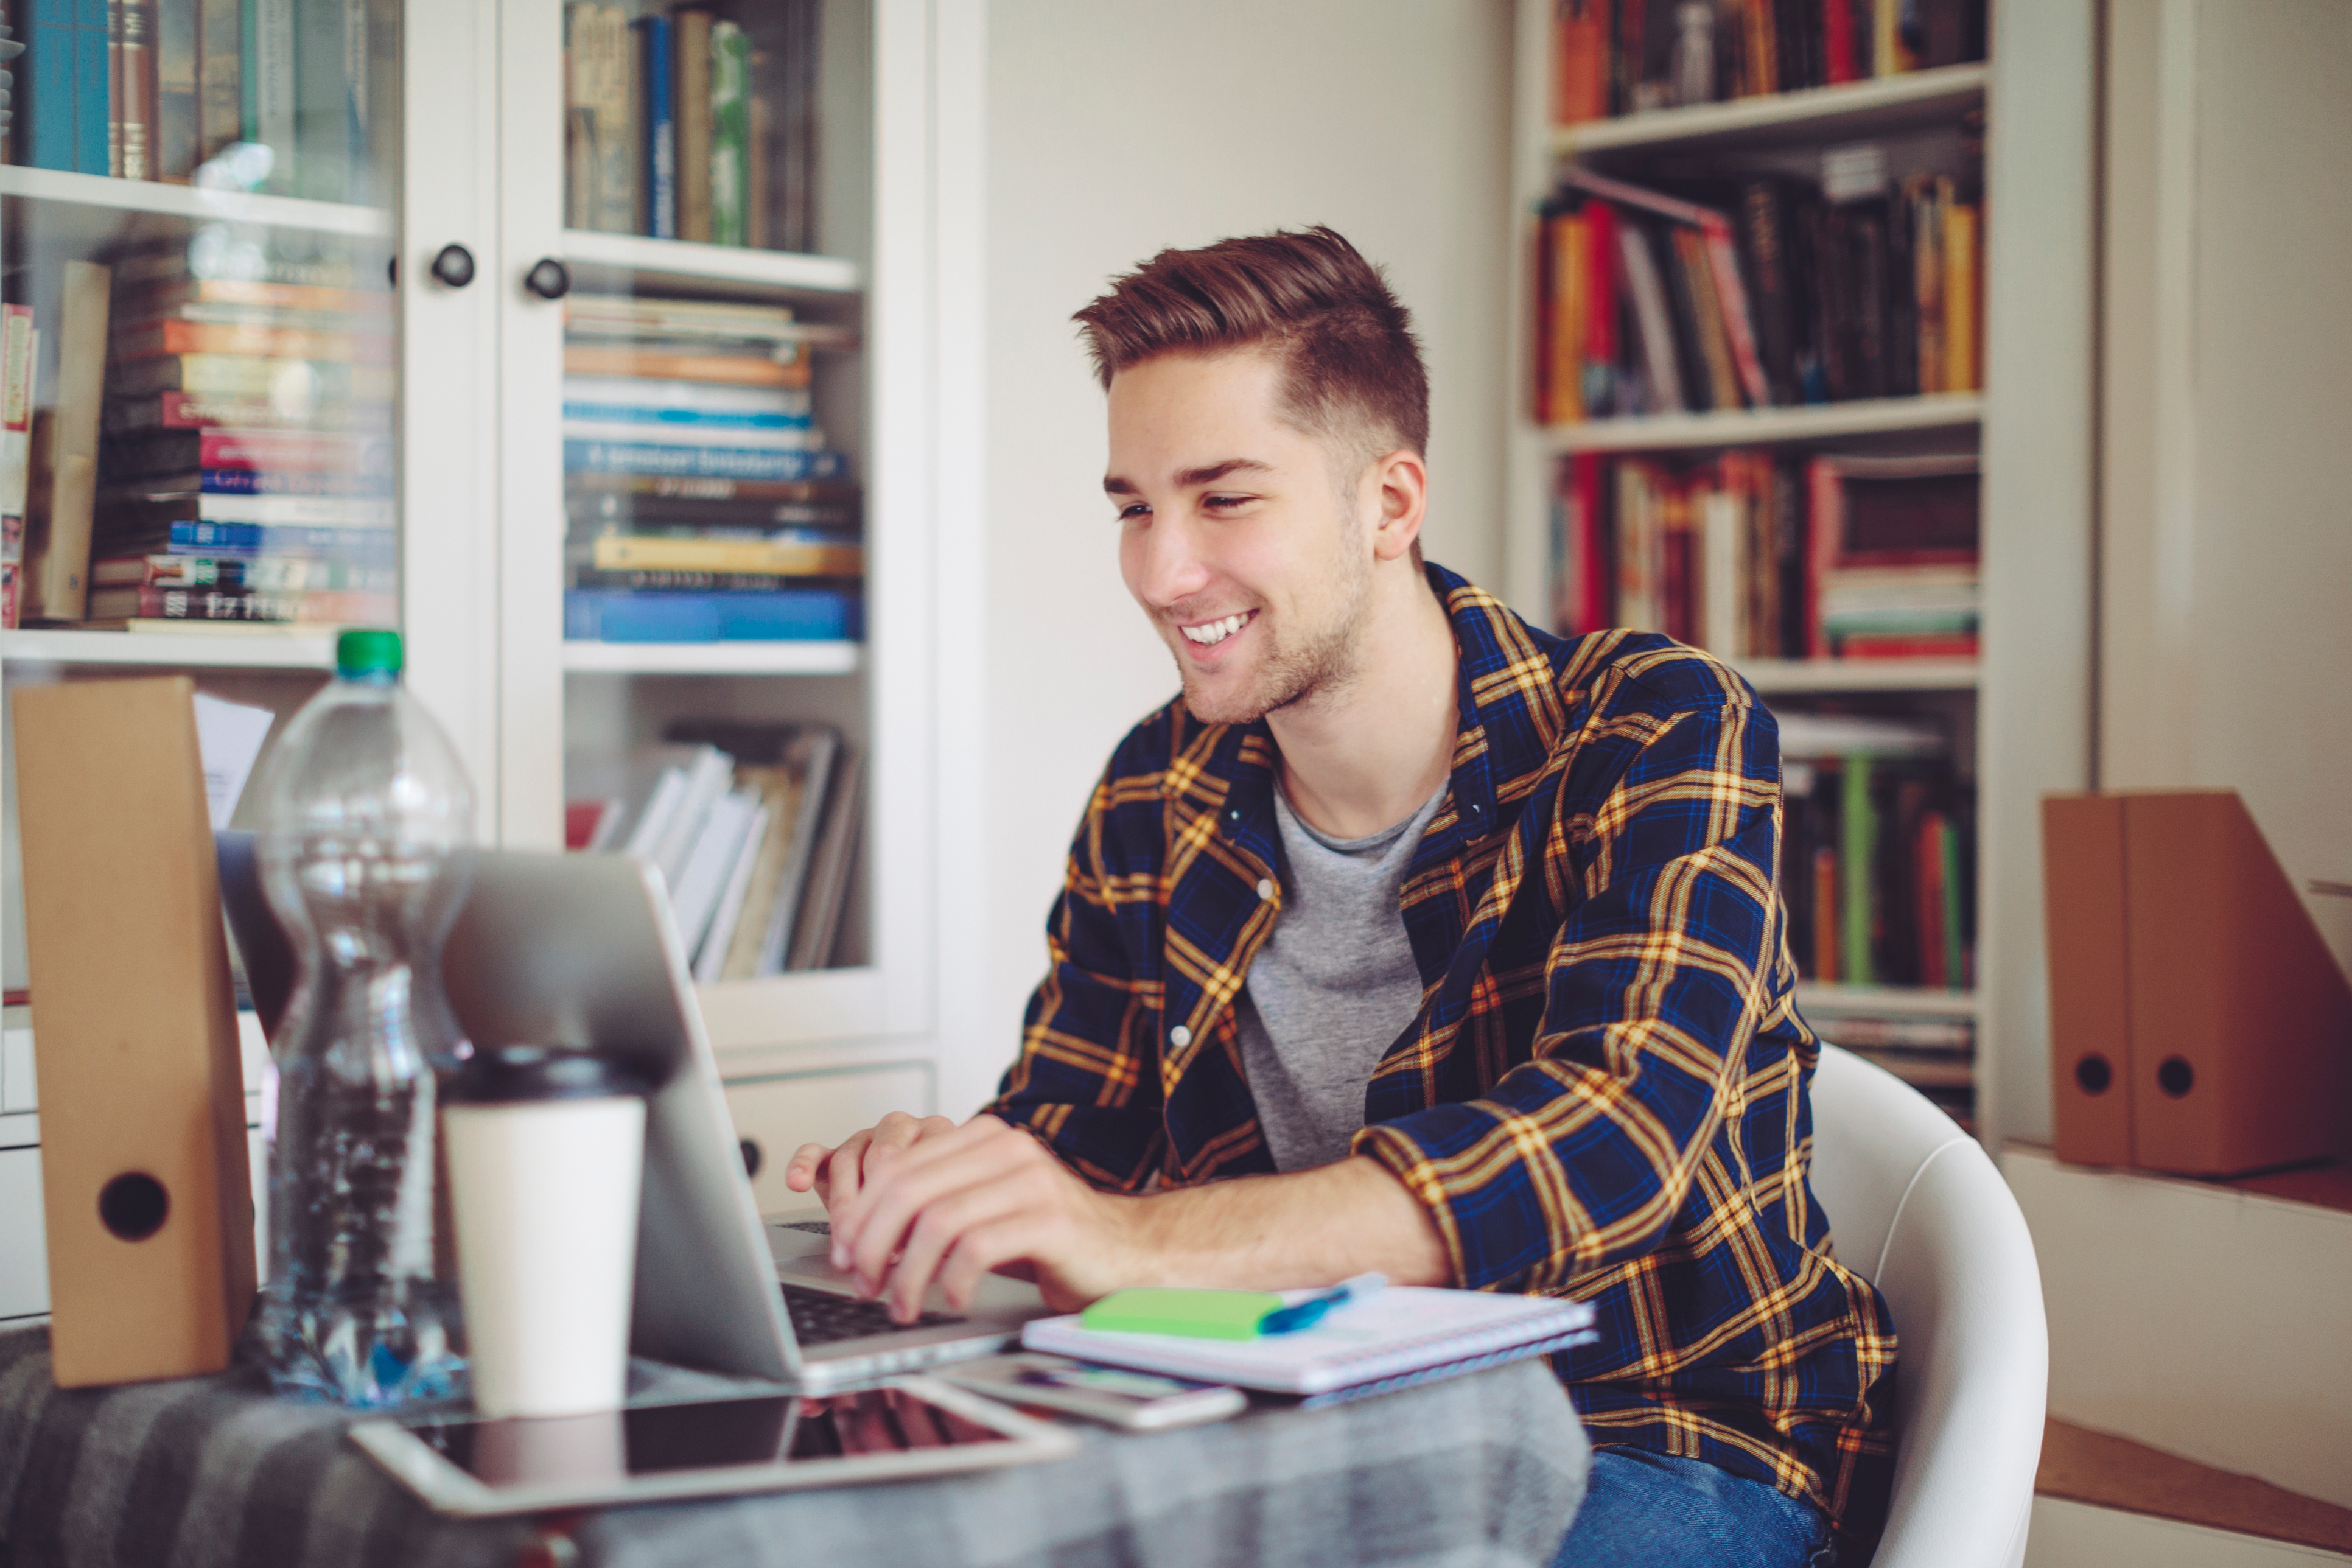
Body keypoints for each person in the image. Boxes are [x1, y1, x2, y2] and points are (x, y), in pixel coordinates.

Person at [785, 226, 1895, 1565]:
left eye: (1225, 499)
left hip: (1657, 1432)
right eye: (1134, 506)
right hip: (1289, 1410)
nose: (1158, 570)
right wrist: (955, 1185)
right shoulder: (1159, 784)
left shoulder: (1653, 724)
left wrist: (1130, 1243)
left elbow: (1615, 1139)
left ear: (1390, 502)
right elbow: (1076, 1139)